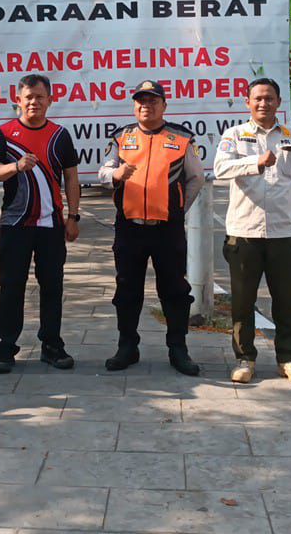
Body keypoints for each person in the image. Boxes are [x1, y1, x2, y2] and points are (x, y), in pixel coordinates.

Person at [213, 78, 291, 384]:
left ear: (278, 102)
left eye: (269, 98)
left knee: (287, 300)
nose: (263, 103)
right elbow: (220, 169)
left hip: (284, 232)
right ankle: (245, 359)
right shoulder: (234, 135)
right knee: (243, 301)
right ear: (247, 102)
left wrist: (287, 200)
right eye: (257, 98)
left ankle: (288, 359)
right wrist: (254, 162)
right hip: (244, 230)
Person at [97, 80, 203, 376]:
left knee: (175, 290)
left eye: (153, 100)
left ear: (164, 105)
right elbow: (103, 171)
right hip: (129, 227)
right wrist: (115, 174)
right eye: (141, 101)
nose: (146, 106)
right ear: (135, 106)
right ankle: (127, 346)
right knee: (127, 288)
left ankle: (178, 349)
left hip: (167, 229)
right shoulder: (121, 137)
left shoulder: (181, 138)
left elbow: (196, 178)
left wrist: (177, 210)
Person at [0, 74, 81, 374]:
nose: (34, 102)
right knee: (11, 285)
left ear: (50, 100)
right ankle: (5, 347)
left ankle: (51, 345)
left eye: (40, 97)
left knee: (52, 286)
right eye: (28, 97)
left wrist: (73, 216)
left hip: (51, 225)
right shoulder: (5, 133)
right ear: (18, 100)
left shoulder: (60, 135)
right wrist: (16, 166)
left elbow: (72, 177)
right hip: (15, 224)